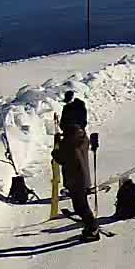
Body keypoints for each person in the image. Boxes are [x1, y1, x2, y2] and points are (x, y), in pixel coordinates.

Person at [54, 92, 98, 241]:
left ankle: (92, 229)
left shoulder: (70, 140)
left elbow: (63, 158)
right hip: (81, 177)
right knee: (81, 205)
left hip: (75, 178)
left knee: (80, 207)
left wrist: (56, 151)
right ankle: (90, 227)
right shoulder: (80, 136)